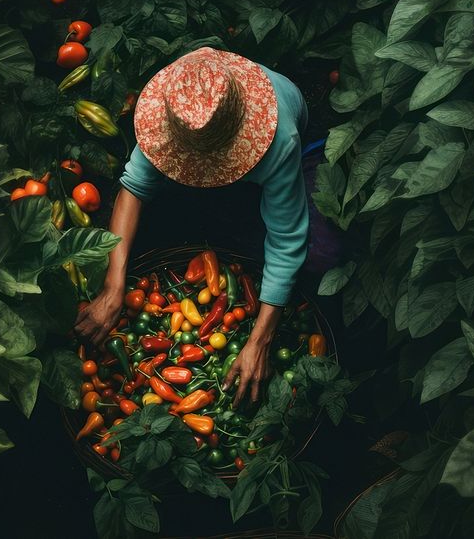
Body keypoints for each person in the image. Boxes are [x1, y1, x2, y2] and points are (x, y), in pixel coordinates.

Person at [74, 47, 310, 404]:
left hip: (274, 151)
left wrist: (259, 340)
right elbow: (133, 189)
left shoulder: (279, 142)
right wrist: (113, 285)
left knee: (286, 244)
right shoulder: (177, 111)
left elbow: (287, 238)